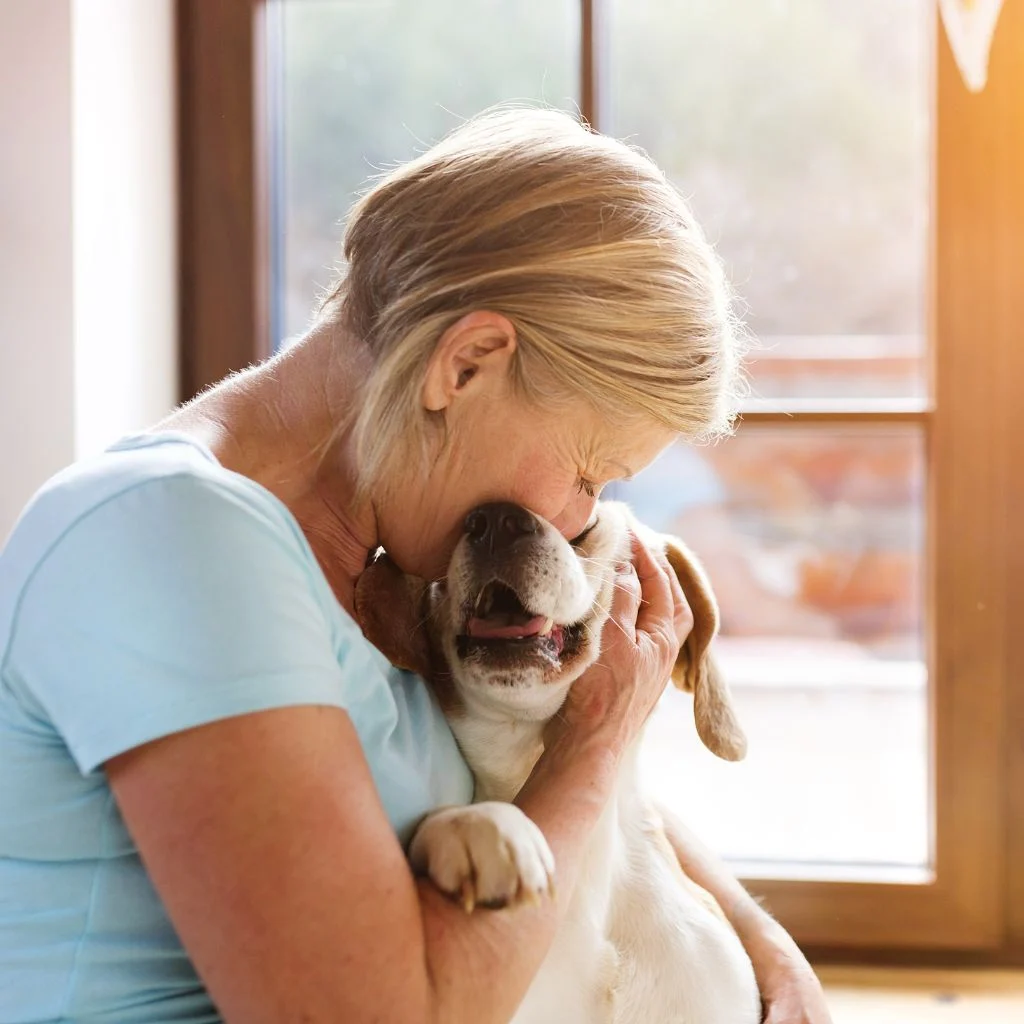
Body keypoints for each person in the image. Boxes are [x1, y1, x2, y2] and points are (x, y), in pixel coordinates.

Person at [0, 109, 831, 1023]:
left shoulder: (390, 567)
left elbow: (529, 791)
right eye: (589, 474)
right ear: (467, 364)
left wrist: (762, 944)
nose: (577, 522)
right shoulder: (177, 538)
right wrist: (592, 748)